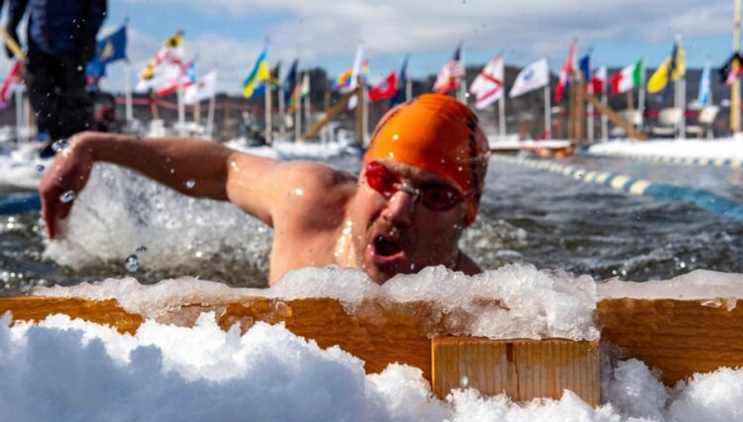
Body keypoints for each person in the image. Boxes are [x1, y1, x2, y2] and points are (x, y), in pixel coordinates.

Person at [39, 93, 490, 285]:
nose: (398, 209)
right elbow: (223, 167)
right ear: (362, 173)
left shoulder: (469, 296)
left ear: (467, 215)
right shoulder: (310, 200)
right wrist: (95, 147)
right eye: (384, 179)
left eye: (435, 195)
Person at [2, 0, 107, 157]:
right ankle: (52, 142)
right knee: (40, 93)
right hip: (39, 45)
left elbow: (97, 6)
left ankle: (77, 144)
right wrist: (12, 24)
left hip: (72, 45)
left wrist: (90, 34)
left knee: (73, 97)